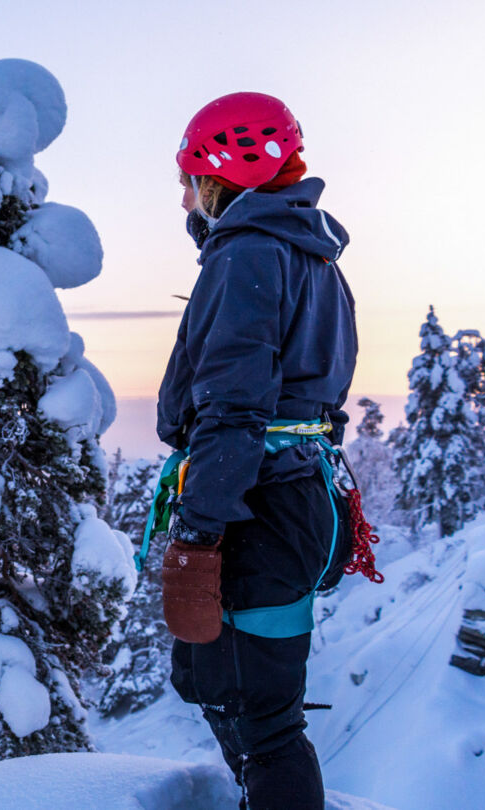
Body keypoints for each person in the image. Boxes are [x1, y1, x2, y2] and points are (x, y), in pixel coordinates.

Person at [153, 92, 358, 809]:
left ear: (222, 172)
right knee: (248, 701)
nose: (182, 192)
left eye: (189, 176)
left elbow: (235, 408)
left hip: (254, 511)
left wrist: (200, 532)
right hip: (295, 500)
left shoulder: (250, 255)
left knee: (258, 719)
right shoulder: (314, 259)